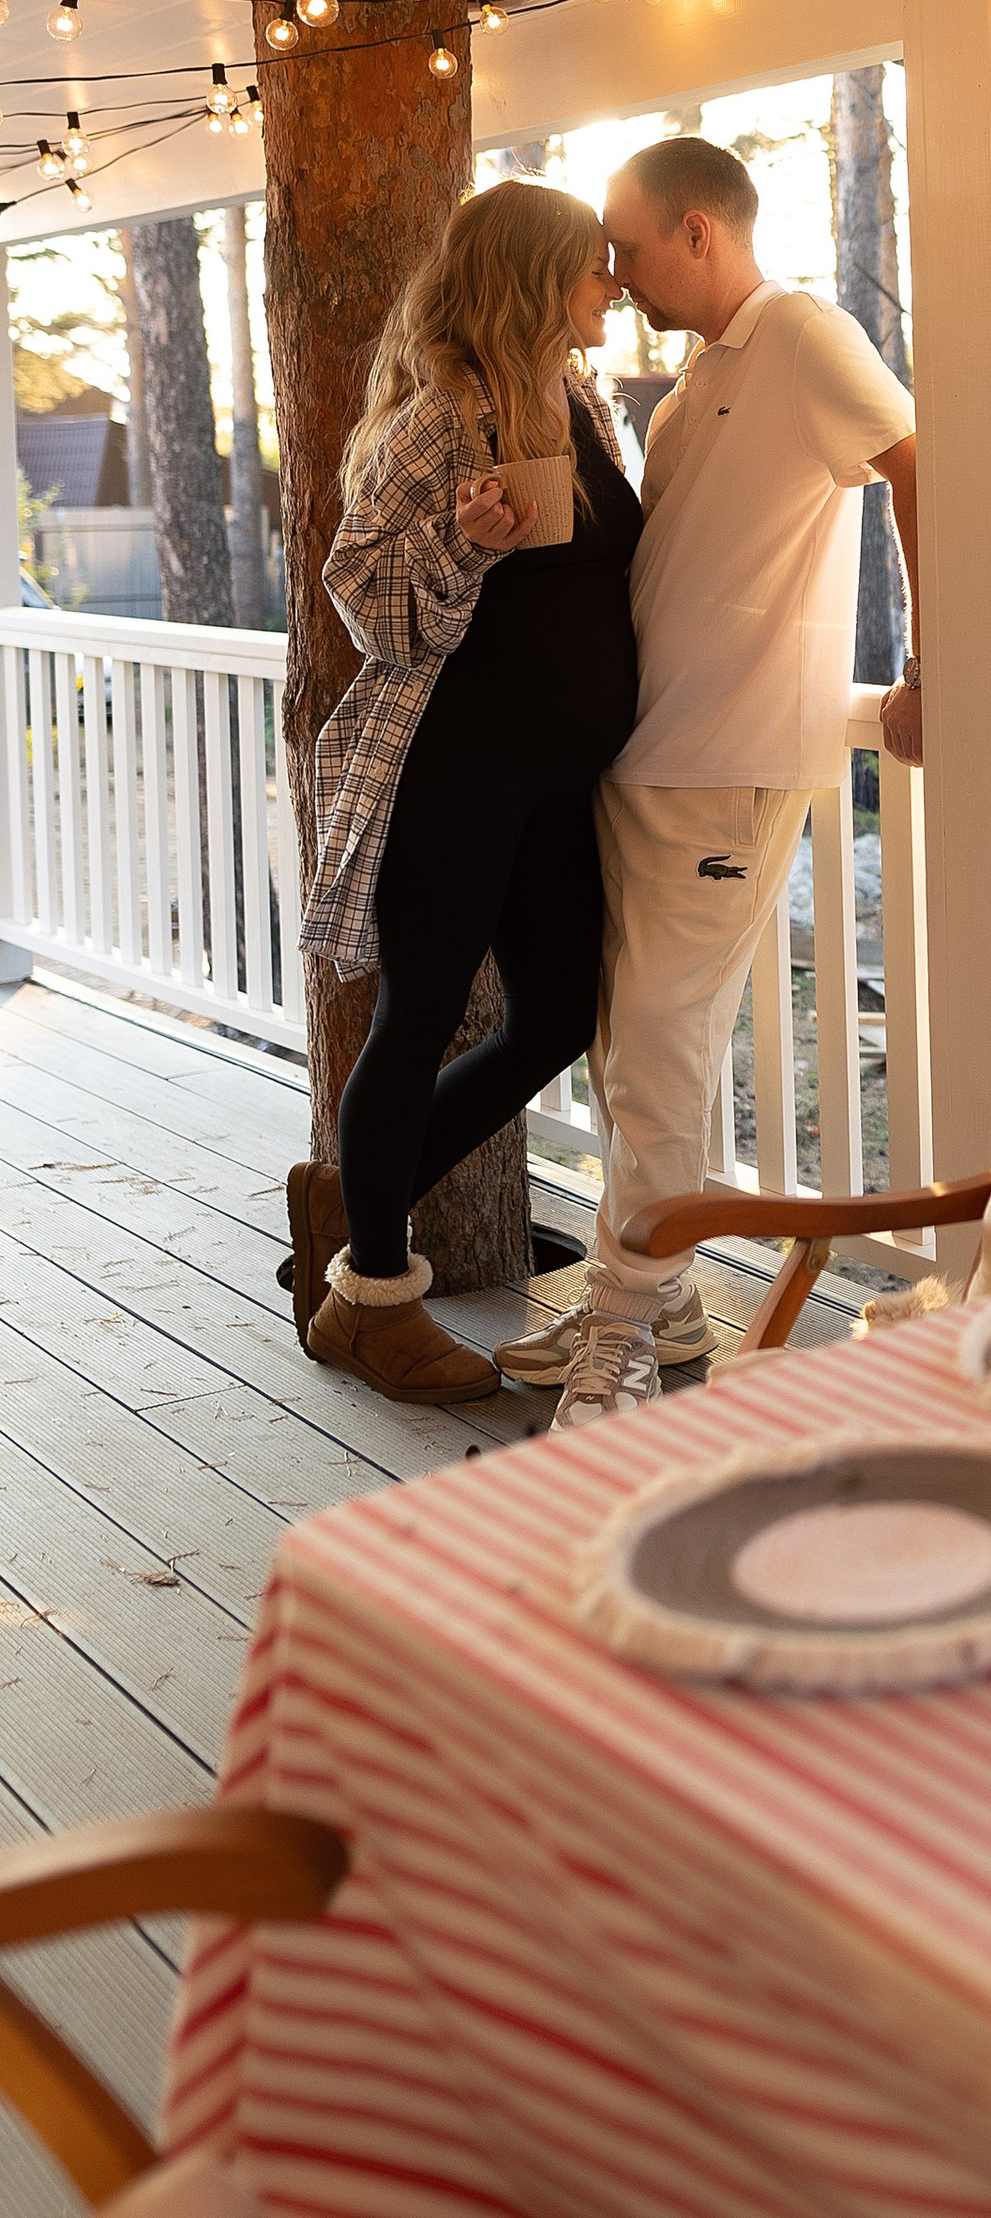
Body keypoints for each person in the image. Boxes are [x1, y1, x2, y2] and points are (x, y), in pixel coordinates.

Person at [497, 134, 918, 1425]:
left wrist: (930, 665)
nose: (614, 275)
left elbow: (919, 464)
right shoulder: (693, 383)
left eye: (627, 247)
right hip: (646, 754)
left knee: (664, 1048)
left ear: (698, 229)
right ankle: (664, 1299)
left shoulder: (804, 335)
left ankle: (625, 1326)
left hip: (729, 759)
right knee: (629, 1044)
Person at [286, 182, 639, 1399]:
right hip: (457, 764)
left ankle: (357, 1196)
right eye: (592, 265)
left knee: (554, 1017)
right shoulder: (440, 418)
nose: (611, 283)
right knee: (421, 1010)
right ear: (535, 279)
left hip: (558, 780)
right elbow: (362, 600)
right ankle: (372, 1300)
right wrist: (462, 543)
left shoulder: (586, 401)